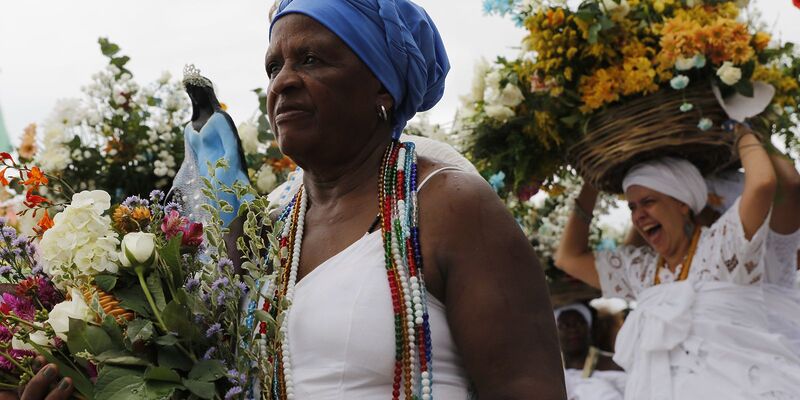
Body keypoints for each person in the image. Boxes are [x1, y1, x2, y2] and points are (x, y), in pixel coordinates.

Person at [242, 0, 565, 398]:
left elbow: (526, 387)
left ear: (382, 86)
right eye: (274, 67)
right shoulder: (263, 232)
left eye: (310, 59)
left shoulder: (451, 205)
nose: (282, 83)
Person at [554, 125, 800, 399]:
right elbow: (568, 258)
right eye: (632, 207)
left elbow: (764, 184)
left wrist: (741, 124)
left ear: (683, 204)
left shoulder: (722, 245)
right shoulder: (642, 270)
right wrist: (592, 180)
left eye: (649, 202)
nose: (639, 216)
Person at [172, 64, 251, 227]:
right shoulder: (188, 129)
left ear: (206, 93)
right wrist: (179, 183)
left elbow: (231, 150)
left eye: (196, 91)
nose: (193, 96)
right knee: (206, 227)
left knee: (227, 223)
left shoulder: (219, 119)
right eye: (190, 92)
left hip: (225, 177)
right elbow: (189, 160)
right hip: (201, 182)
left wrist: (220, 175)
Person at [556, 303, 626, 400]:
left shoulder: (617, 364)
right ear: (556, 332)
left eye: (579, 323)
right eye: (565, 325)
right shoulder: (551, 369)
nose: (573, 329)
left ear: (589, 328)